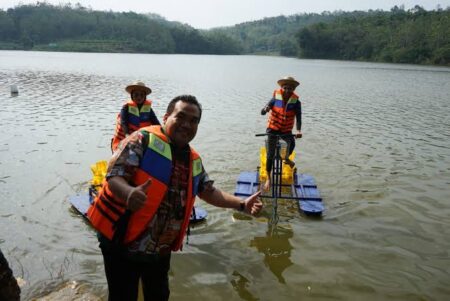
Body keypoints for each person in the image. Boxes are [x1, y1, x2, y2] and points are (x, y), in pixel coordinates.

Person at [88, 95, 263, 301]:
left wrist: (241, 204)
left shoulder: (193, 159)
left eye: (194, 120)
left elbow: (208, 191)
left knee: (159, 296)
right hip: (122, 242)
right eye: (180, 117)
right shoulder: (142, 140)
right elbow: (114, 175)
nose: (186, 124)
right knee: (122, 296)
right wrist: (129, 193)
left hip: (159, 249)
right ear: (165, 117)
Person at [260, 76, 302, 191]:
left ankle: (287, 159)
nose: (288, 90)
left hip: (286, 130)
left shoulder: (296, 102)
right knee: (270, 155)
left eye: (290, 88)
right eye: (285, 88)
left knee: (292, 144)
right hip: (273, 129)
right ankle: (269, 178)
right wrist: (266, 108)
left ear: (294, 90)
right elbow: (262, 112)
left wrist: (298, 131)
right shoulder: (274, 99)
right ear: (282, 88)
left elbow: (298, 118)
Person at [111, 81, 160, 152]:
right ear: (132, 95)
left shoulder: (149, 109)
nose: (139, 97)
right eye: (136, 95)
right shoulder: (126, 108)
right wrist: (128, 137)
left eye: (141, 95)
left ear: (145, 96)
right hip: (125, 139)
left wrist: (163, 134)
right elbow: (123, 123)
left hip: (141, 139)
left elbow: (156, 123)